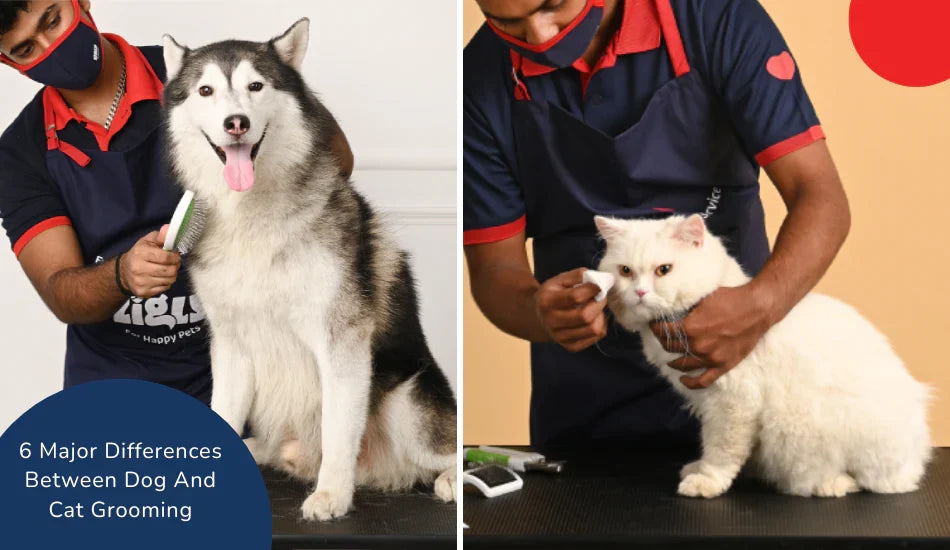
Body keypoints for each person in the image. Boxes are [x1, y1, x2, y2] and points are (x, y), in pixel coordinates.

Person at [464, 0, 850, 448]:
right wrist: (538, 311)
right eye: (507, 21)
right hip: (588, 405)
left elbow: (821, 197)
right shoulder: (480, 78)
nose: (541, 36)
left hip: (739, 370)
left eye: (554, 5)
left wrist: (758, 307)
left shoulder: (715, 19)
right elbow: (495, 270)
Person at [0, 0, 353, 404]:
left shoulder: (201, 80)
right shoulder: (19, 152)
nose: (52, 46)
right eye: (27, 49)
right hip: (111, 386)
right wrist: (121, 275)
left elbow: (337, 159)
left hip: (250, 366)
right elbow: (60, 289)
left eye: (52, 20)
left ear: (80, 2)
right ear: (9, 63)